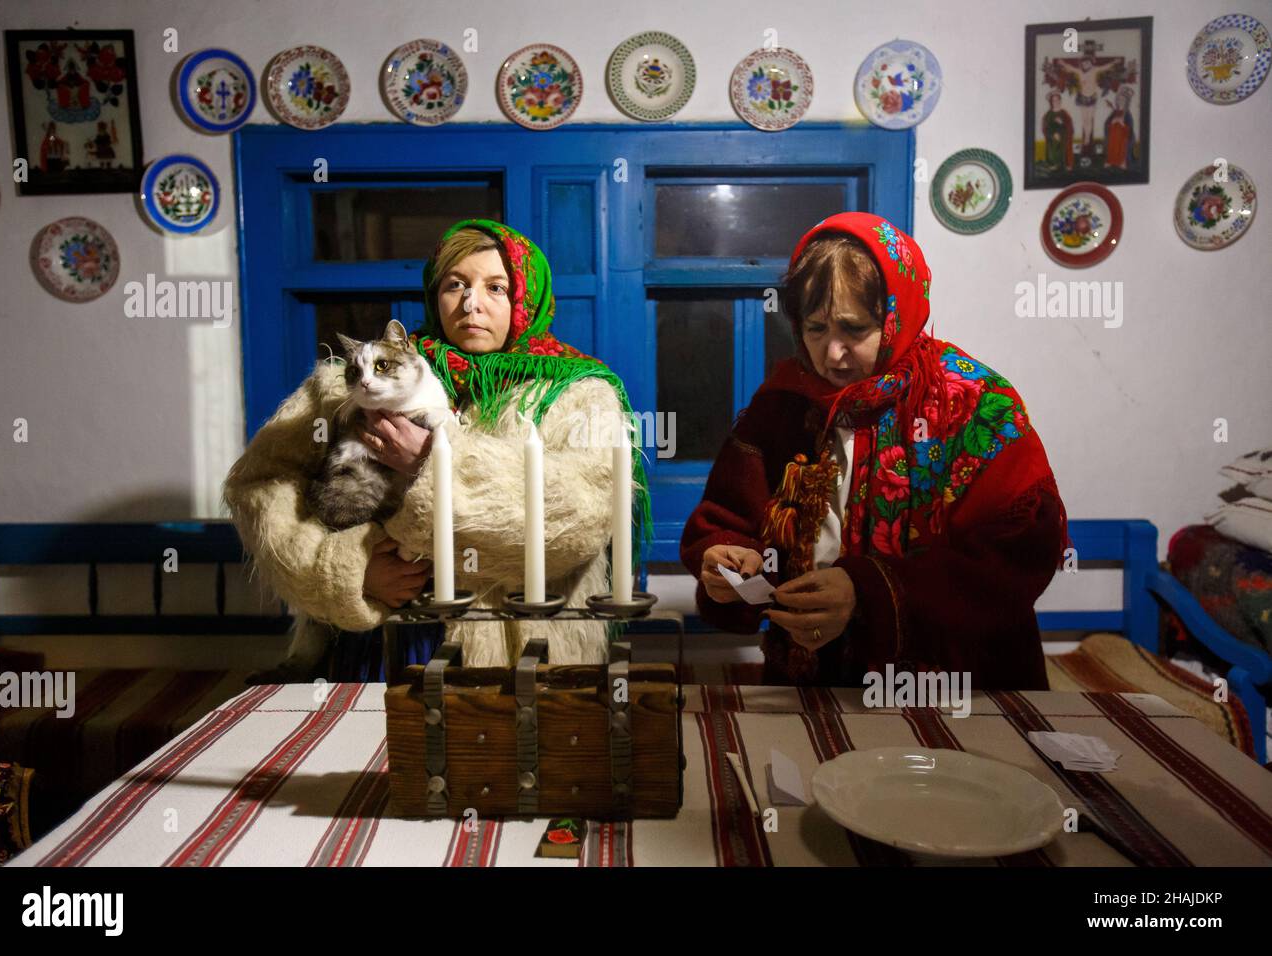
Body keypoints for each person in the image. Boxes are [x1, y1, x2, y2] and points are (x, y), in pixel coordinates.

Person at [224, 219, 650, 674]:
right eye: (455, 285)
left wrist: (432, 464)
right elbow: (261, 487)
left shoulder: (577, 395)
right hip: (377, 639)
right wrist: (349, 570)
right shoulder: (354, 382)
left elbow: (580, 521)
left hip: (517, 651)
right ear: (434, 294)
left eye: (497, 288)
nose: (472, 303)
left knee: (506, 745)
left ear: (527, 297)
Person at [680, 212, 1069, 688]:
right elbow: (730, 519)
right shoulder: (782, 405)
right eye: (816, 328)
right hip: (815, 681)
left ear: (894, 316)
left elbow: (1017, 555)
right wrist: (730, 561)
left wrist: (867, 591)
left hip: (955, 688)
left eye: (854, 329)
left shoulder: (973, 405)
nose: (832, 354)